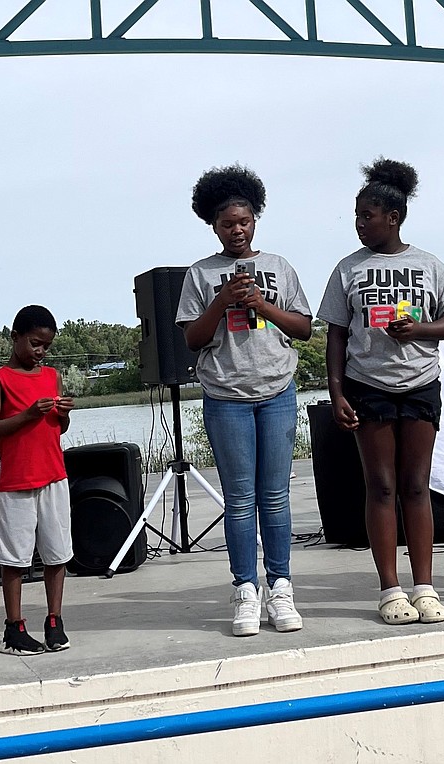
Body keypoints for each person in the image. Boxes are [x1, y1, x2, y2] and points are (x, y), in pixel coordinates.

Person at [318, 158, 444, 625]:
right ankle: (390, 589)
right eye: (357, 216)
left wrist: (420, 330)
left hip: (421, 384)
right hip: (369, 386)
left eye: (369, 215)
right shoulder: (348, 269)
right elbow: (336, 335)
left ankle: (424, 586)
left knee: (416, 486)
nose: (360, 224)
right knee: (380, 487)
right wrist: (337, 392)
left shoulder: (429, 264)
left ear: (394, 218)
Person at [176, 164, 312, 637]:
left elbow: (304, 329)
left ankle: (281, 587)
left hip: (276, 390)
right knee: (239, 499)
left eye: (245, 220)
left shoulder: (279, 267)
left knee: (275, 497)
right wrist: (223, 300)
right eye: (227, 223)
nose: (237, 229)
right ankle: (245, 590)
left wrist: (261, 304)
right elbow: (192, 339)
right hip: (225, 396)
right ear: (213, 226)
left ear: (256, 219)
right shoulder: (200, 274)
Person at [0, 305, 76, 654]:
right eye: (35, 343)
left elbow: (58, 428)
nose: (40, 352)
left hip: (54, 476)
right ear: (15, 337)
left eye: (46, 346)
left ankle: (55, 620)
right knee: (15, 559)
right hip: (16, 481)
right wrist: (26, 414)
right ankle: (14, 627)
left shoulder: (51, 376)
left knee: (57, 554)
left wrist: (63, 415)